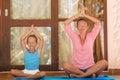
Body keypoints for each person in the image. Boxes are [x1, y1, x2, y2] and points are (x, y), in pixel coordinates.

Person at [63, 6, 108, 78]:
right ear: (77, 28)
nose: (82, 26)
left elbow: (98, 23)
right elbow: (66, 23)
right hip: (76, 68)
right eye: (80, 25)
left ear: (87, 27)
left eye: (84, 24)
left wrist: (85, 15)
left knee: (104, 63)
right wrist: (77, 16)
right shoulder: (74, 37)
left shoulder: (91, 36)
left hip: (90, 68)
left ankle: (81, 75)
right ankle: (86, 75)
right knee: (65, 65)